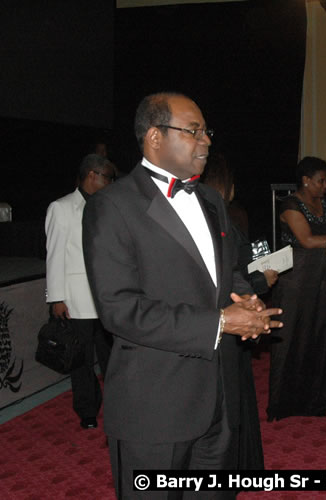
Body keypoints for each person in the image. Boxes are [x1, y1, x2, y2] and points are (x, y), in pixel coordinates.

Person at [82, 92, 282, 499]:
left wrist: (247, 302)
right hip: (155, 406)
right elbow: (119, 309)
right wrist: (222, 322)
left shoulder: (210, 200)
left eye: (206, 131)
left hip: (221, 401)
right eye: (193, 131)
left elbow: (226, 276)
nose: (206, 141)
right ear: (154, 137)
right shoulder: (112, 206)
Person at [267, 156, 326, 421]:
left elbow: (325, 234)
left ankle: (315, 400)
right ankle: (284, 403)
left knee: (317, 335)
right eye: (321, 180)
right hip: (294, 278)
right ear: (306, 181)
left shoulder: (322, 203)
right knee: (290, 337)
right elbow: (306, 241)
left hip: (318, 275)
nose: (325, 185)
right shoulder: (290, 204)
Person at [201, 152, 272, 471]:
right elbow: (227, 273)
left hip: (236, 312)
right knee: (230, 398)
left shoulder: (226, 216)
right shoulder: (221, 218)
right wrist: (261, 281)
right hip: (223, 318)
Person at [44, 153, 115, 430]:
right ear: (92, 176)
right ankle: (87, 411)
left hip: (107, 298)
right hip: (76, 300)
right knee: (81, 360)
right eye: (108, 177)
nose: (111, 183)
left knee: (113, 358)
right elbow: (55, 255)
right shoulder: (61, 208)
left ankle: (119, 406)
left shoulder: (109, 207)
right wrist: (57, 297)